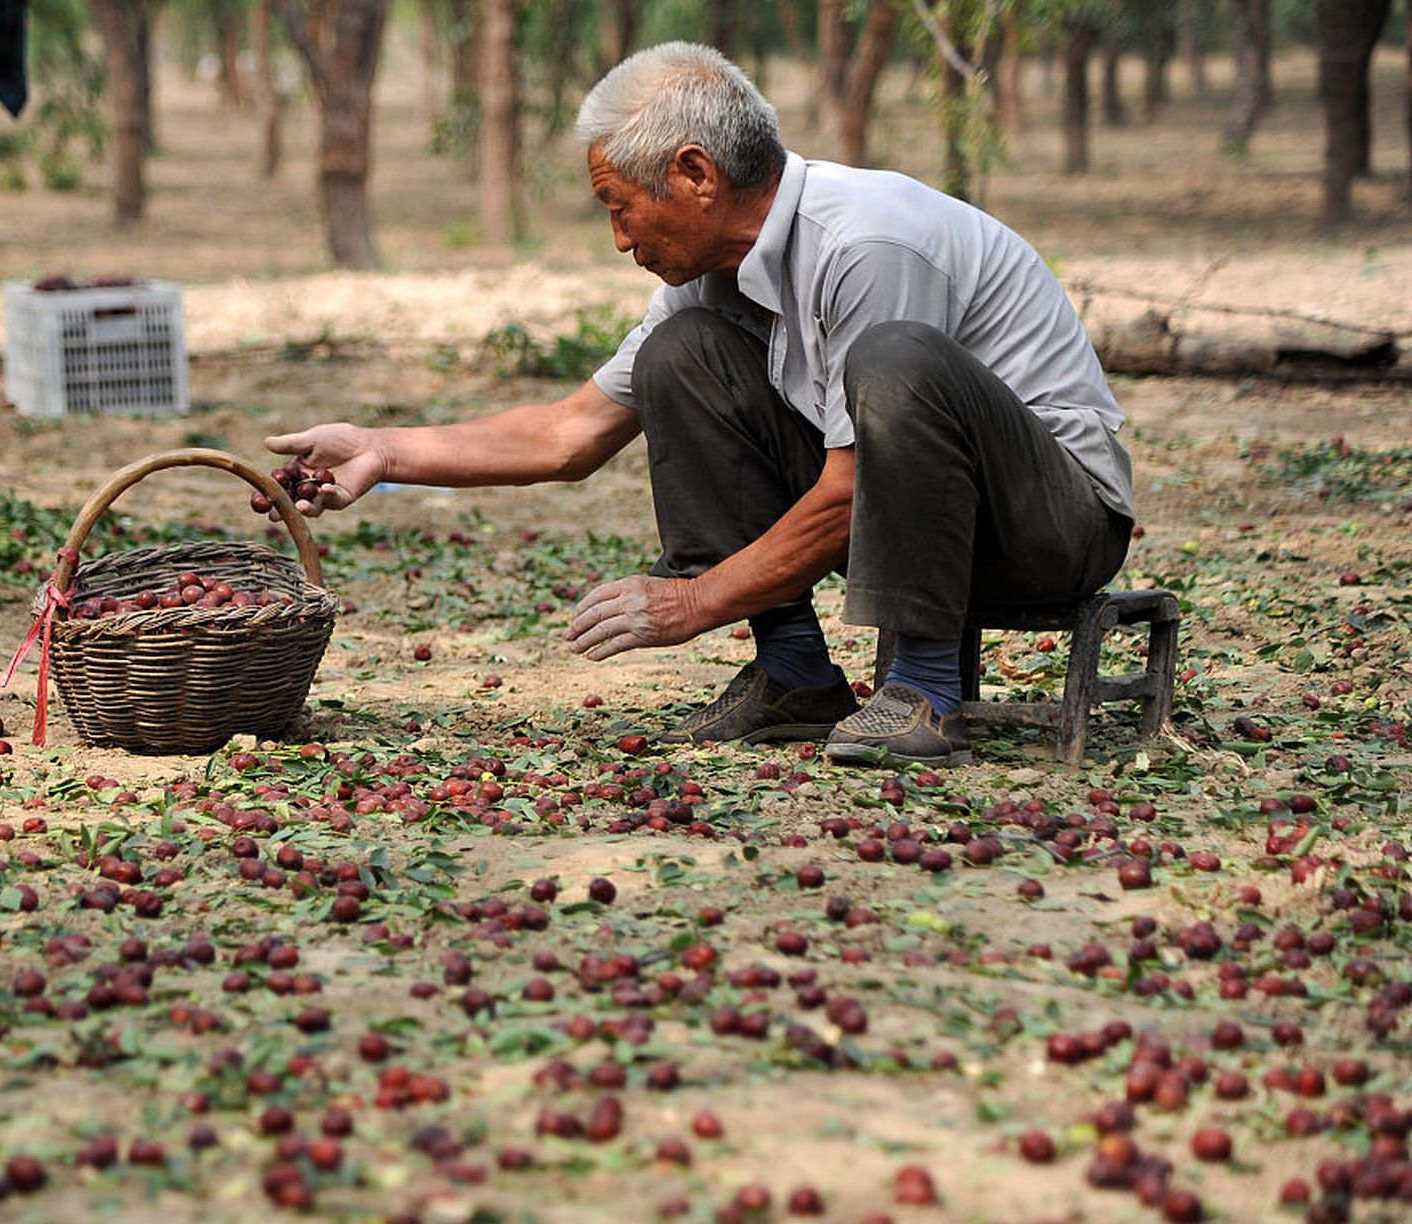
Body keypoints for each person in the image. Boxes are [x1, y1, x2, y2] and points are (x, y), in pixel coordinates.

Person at [265, 41, 1134, 767]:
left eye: (620, 207)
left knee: (893, 357)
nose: (619, 239)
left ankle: (925, 687)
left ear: (693, 174)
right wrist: (382, 452)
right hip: (909, 519)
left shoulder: (866, 239)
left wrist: (694, 601)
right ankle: (793, 672)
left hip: (1048, 526)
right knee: (677, 357)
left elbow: (853, 485)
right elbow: (571, 433)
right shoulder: (710, 279)